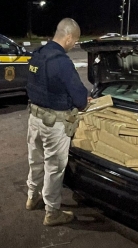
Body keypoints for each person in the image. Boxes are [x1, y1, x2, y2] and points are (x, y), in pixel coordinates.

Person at [25, 18, 90, 226]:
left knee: (35, 161)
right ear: (68, 37)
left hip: (34, 118)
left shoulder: (38, 55)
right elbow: (80, 98)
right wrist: (82, 102)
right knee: (54, 167)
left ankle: (32, 197)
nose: (74, 45)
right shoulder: (62, 62)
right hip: (54, 125)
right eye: (75, 41)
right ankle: (52, 212)